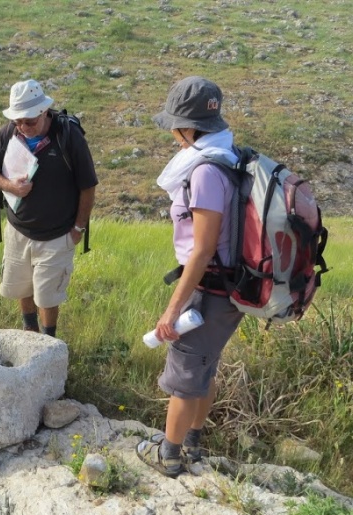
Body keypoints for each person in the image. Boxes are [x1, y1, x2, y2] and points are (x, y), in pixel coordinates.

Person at [136, 76, 244, 477]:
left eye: (174, 125)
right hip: (228, 289)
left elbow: (202, 249)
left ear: (188, 126)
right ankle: (194, 443)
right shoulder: (227, 154)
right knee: (205, 366)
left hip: (209, 290)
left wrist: (172, 309)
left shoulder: (204, 172)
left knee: (184, 373)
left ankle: (169, 455)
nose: (171, 133)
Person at [0, 80, 98, 337]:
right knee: (21, 287)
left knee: (47, 296)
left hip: (57, 234)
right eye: (17, 121)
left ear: (44, 112)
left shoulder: (69, 137)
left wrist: (78, 228)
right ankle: (29, 330)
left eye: (29, 122)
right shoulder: (8, 133)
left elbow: (88, 187)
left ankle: (48, 339)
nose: (23, 127)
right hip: (18, 229)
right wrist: (9, 186)